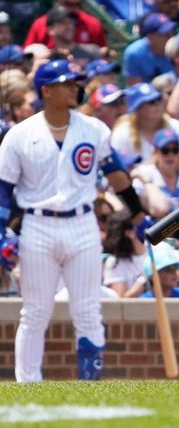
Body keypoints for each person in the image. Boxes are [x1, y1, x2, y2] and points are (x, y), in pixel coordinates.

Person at [0, 60, 148, 382]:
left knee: (87, 309)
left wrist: (138, 214)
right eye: (66, 83)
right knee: (36, 312)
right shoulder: (19, 135)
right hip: (37, 224)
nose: (74, 87)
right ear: (46, 91)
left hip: (82, 222)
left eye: (74, 82)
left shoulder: (94, 130)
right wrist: (1, 234)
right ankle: (28, 384)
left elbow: (117, 175)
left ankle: (90, 382)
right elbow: (3, 190)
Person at [122, 12, 176, 85]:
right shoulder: (134, 53)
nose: (170, 36)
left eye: (171, 32)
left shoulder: (177, 46)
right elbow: (134, 88)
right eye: (165, 34)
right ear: (151, 37)